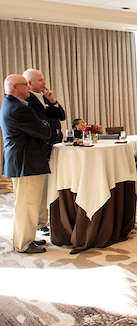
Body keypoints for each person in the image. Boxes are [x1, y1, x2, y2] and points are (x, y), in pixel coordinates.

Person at [0, 74, 52, 254]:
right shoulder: (19, 109)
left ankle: (25, 238)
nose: (28, 88)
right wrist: (44, 124)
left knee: (25, 204)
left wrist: (42, 124)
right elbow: (44, 131)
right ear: (14, 87)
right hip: (26, 162)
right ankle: (23, 243)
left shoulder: (11, 105)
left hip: (23, 161)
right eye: (24, 85)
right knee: (27, 205)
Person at [23, 68, 66, 236]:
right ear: (30, 83)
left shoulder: (44, 99)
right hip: (40, 149)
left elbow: (61, 116)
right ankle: (40, 222)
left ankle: (45, 220)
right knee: (40, 188)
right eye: (41, 80)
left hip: (52, 146)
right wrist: (53, 121)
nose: (44, 83)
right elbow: (44, 123)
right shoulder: (29, 101)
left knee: (48, 185)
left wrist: (53, 101)